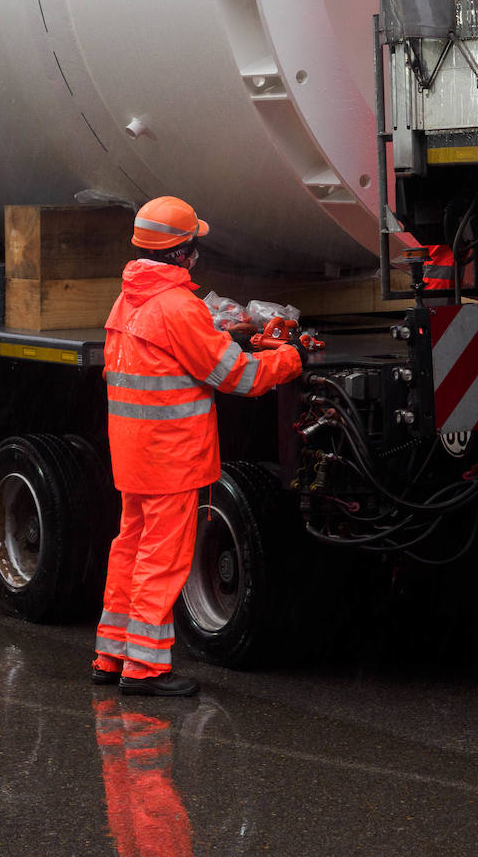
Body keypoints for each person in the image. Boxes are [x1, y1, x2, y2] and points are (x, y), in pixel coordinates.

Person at [92, 195, 302, 697]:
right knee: (161, 562)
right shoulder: (178, 307)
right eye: (194, 247)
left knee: (130, 552)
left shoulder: (129, 299)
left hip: (134, 456)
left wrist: (222, 334)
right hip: (171, 459)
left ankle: (111, 654)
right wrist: (288, 361)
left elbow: (162, 358)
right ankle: (144, 670)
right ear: (183, 254)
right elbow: (237, 376)